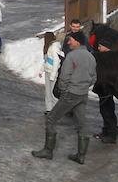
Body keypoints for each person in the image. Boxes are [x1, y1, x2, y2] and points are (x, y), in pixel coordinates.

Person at [32, 31, 96, 164]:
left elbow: (64, 77)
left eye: (70, 40)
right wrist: (83, 87)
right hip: (83, 94)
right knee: (81, 124)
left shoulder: (71, 56)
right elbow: (94, 78)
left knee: (51, 118)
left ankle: (48, 151)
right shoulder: (91, 56)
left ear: (77, 41)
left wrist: (64, 89)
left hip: (71, 93)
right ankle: (81, 155)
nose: (68, 42)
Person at [41, 31, 62, 114]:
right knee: (48, 91)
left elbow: (56, 61)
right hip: (48, 71)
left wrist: (53, 75)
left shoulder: (54, 47)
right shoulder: (48, 47)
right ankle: (49, 108)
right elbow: (46, 60)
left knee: (52, 92)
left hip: (52, 73)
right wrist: (42, 70)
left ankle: (55, 109)